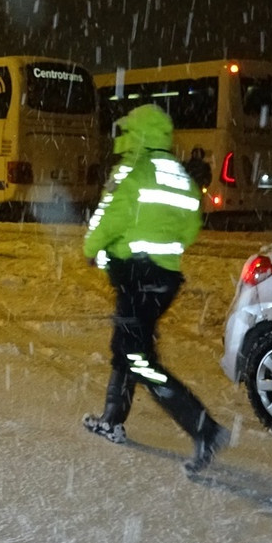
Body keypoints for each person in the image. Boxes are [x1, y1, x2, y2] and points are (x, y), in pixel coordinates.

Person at [81, 104, 229, 475]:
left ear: (138, 133)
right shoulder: (177, 173)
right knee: (127, 345)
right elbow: (191, 223)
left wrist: (91, 248)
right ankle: (112, 419)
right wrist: (164, 247)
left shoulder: (133, 170)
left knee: (137, 356)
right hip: (163, 278)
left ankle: (204, 429)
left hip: (135, 275)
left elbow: (109, 216)